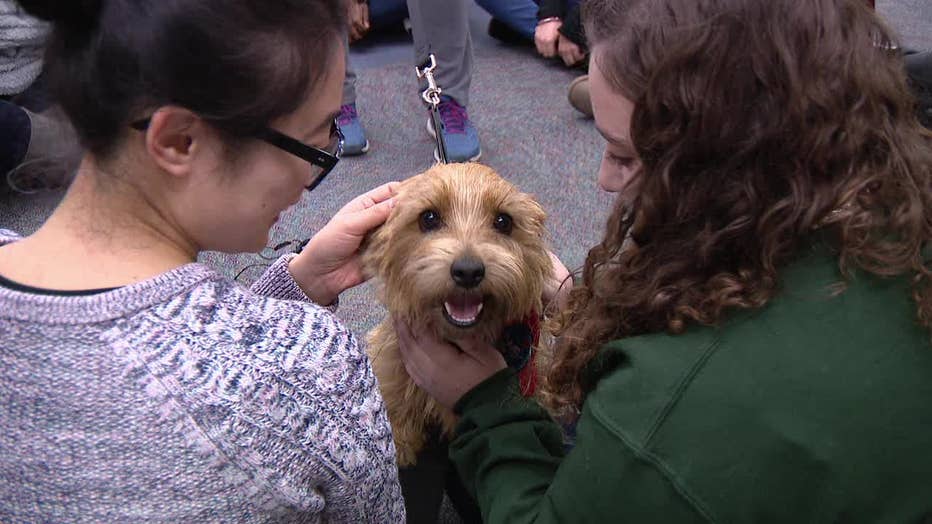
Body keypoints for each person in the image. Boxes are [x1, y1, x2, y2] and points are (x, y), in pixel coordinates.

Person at [395, 0, 932, 521]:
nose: (603, 180)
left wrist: (487, 405)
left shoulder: (662, 416)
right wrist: (582, 304)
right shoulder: (888, 203)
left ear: (731, 152)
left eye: (625, 153)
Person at [0, 0, 405, 521]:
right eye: (311, 145)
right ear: (179, 140)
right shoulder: (312, 370)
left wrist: (297, 285)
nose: (311, 178)